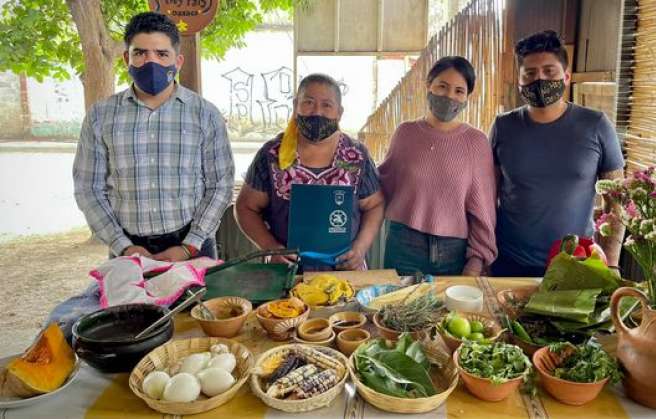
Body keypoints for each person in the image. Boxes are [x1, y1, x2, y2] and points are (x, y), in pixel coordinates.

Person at [73, 12, 235, 261]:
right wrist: (123, 246)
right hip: (127, 251)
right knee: (131, 303)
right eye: (140, 53)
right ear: (127, 58)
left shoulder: (205, 114)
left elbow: (220, 185)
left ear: (177, 61)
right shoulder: (100, 116)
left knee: (198, 303)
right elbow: (88, 189)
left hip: (191, 248)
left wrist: (189, 246)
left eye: (161, 54)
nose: (151, 62)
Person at [489, 30, 625, 277]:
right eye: (530, 73)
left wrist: (612, 264)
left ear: (566, 77)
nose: (539, 79)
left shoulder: (596, 125)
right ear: (519, 80)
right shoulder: (503, 126)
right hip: (509, 261)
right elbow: (489, 195)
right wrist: (484, 255)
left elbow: (616, 203)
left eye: (549, 71)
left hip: (577, 263)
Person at [234, 73, 384, 271]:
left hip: (345, 272)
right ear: (296, 105)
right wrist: (271, 249)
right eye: (309, 103)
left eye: (327, 105)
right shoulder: (272, 155)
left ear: (339, 112)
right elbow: (245, 208)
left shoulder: (356, 156)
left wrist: (361, 248)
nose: (317, 113)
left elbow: (375, 205)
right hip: (286, 273)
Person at [379, 56, 497, 276]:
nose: (449, 96)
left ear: (467, 97)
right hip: (403, 244)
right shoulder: (406, 133)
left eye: (459, 91)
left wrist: (477, 259)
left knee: (450, 311)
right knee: (395, 308)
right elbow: (381, 185)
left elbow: (484, 210)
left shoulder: (476, 142)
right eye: (442, 87)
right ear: (428, 86)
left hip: (454, 252)